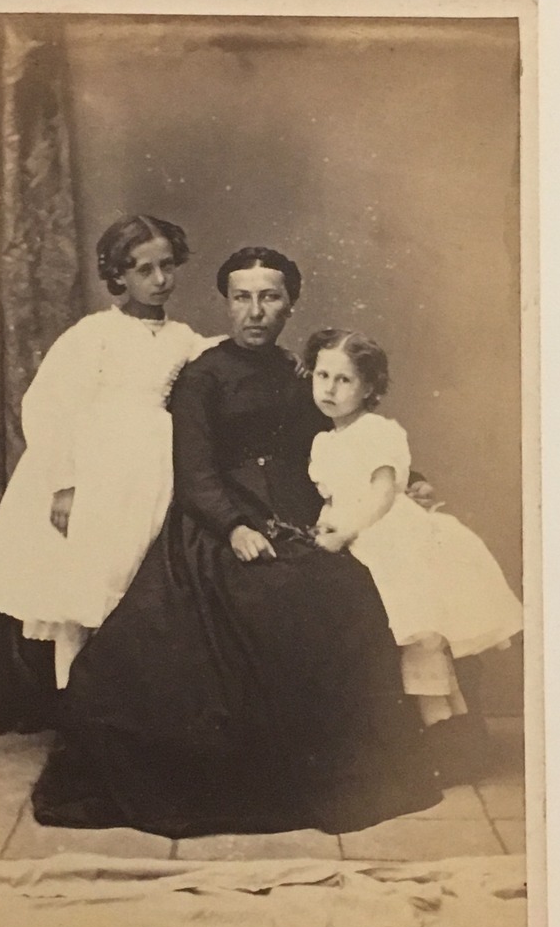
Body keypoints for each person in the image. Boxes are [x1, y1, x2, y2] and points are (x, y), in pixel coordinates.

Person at [31, 247, 443, 837]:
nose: (255, 311)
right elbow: (195, 472)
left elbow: (350, 434)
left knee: (345, 588)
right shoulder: (203, 375)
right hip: (214, 528)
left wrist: (417, 480)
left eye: (269, 297)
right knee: (257, 600)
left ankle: (336, 768)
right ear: (227, 303)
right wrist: (234, 528)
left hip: (295, 518)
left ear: (290, 304)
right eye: (242, 298)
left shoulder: (300, 375)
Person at [0, 215, 223, 687]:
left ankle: (127, 711)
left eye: (167, 266)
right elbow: (48, 405)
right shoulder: (94, 334)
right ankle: (78, 707)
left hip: (152, 474)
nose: (160, 279)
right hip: (99, 473)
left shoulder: (184, 338)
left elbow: (216, 364)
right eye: (144, 270)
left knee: (138, 590)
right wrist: (64, 484)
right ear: (119, 275)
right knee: (83, 590)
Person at [306, 327, 523, 727]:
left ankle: (441, 724)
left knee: (418, 627)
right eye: (322, 376)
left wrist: (346, 532)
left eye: (344, 379)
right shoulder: (325, 441)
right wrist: (326, 526)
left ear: (369, 386)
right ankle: (433, 725)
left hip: (387, 532)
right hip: (352, 528)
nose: (330, 389)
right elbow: (335, 498)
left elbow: (383, 494)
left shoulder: (377, 431)